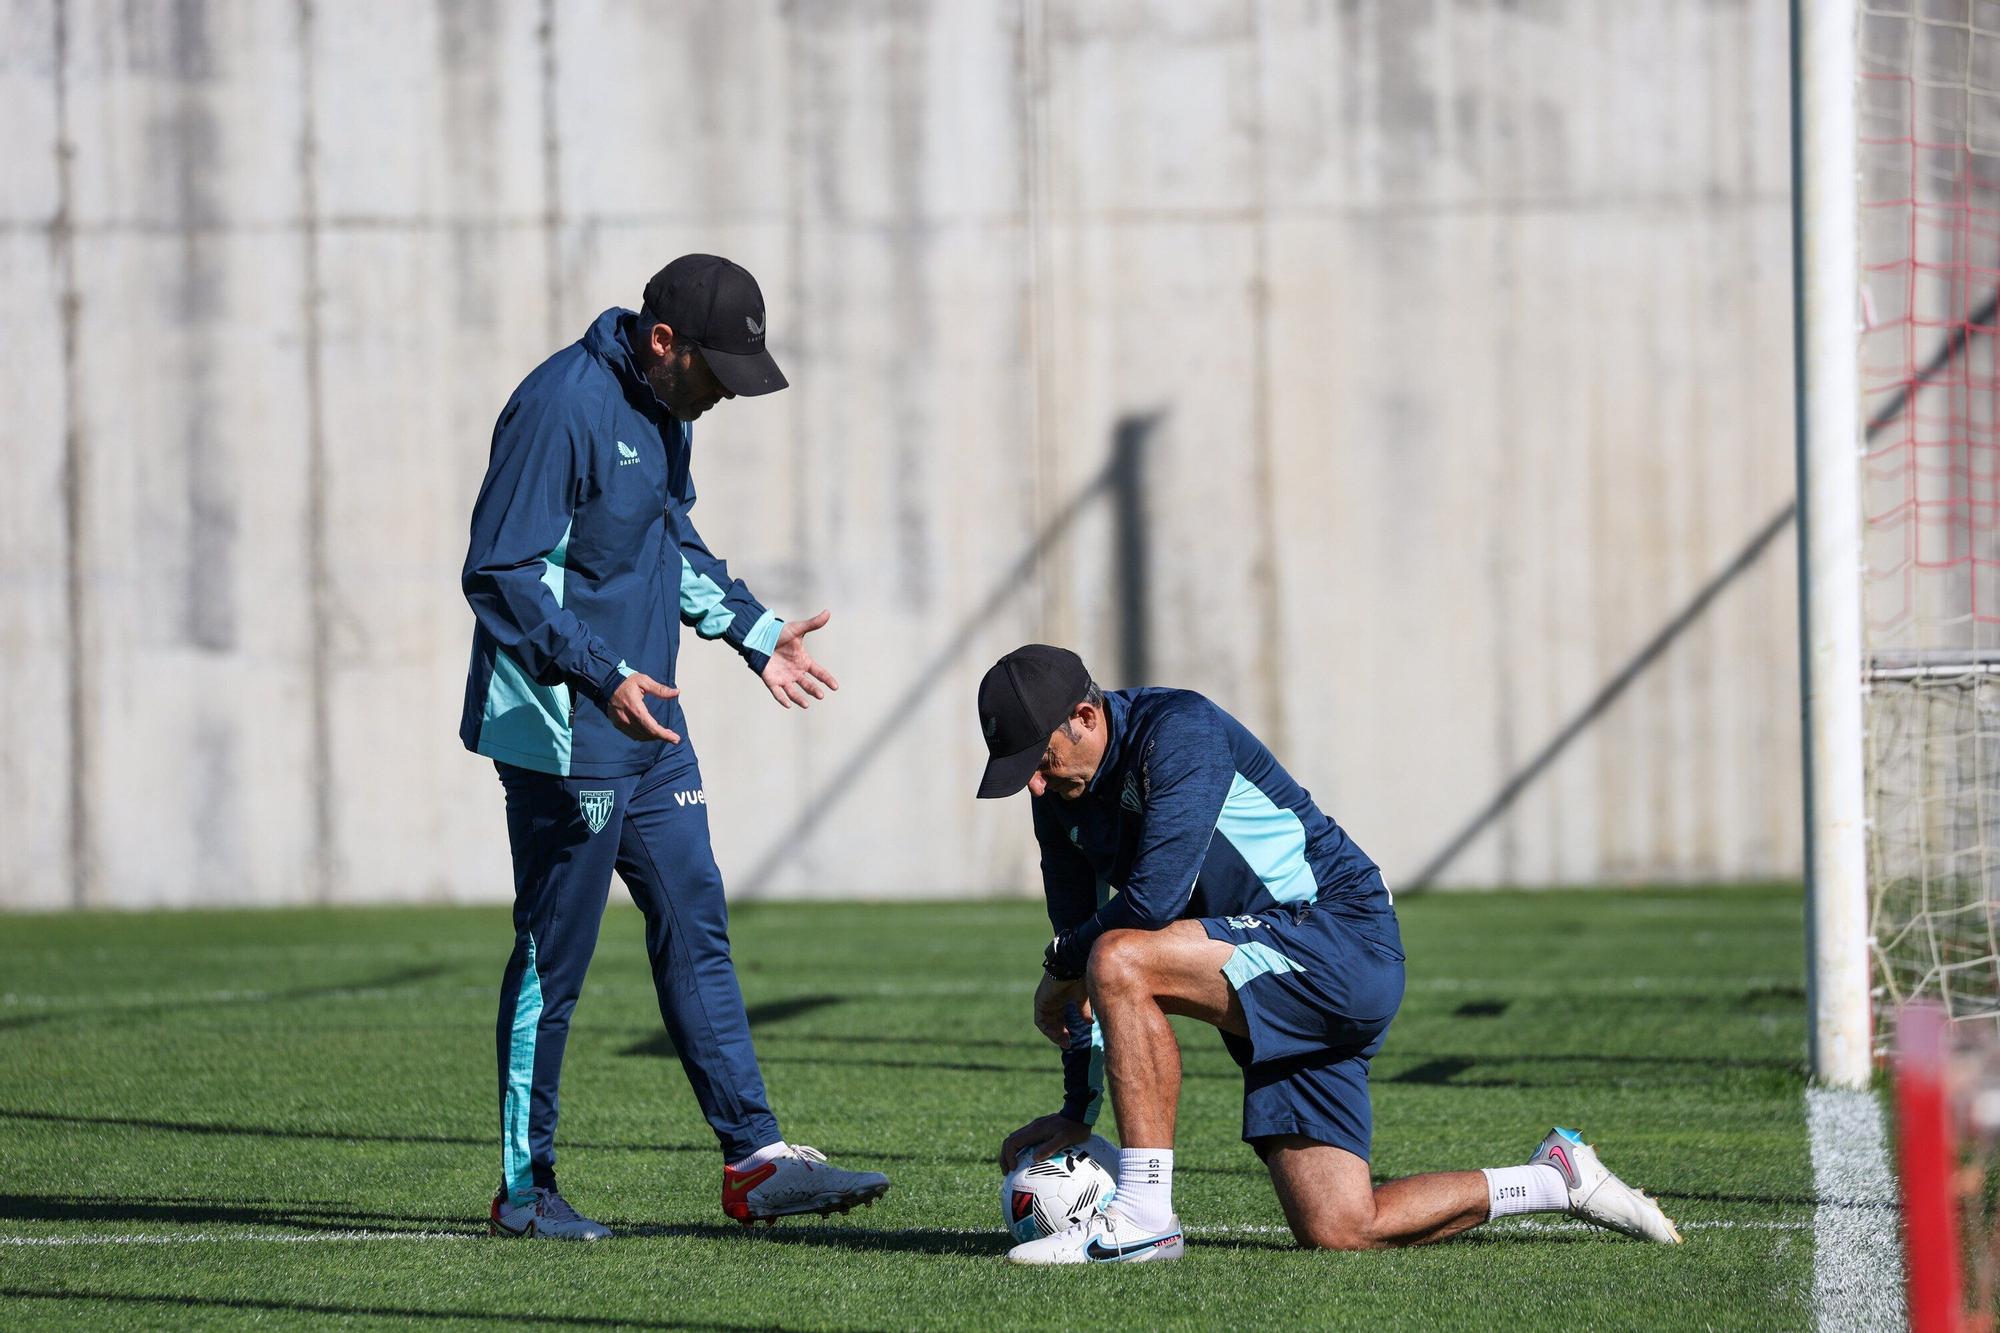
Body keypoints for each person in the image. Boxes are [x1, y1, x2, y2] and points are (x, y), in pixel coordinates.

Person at [978, 644, 1680, 1264]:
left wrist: (1064, 963)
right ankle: (1555, 1178)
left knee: (1119, 956)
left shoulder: (1178, 729)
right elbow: (1078, 960)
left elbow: (1147, 907)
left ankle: (1144, 1219)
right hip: (1273, 967)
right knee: (1340, 1225)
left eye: (1038, 759)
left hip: (1339, 938)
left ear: (1086, 715)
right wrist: (1077, 1108)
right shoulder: (1059, 795)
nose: (1034, 784)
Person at [460, 254, 888, 1240]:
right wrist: (599, 673)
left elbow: (667, 541)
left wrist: (755, 632)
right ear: (664, 342)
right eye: (717, 375)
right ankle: (524, 1191)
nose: (725, 397)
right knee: (553, 959)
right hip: (567, 726)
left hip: (650, 722)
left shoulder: (666, 408)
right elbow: (498, 571)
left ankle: (754, 1160)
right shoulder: (559, 407)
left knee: (697, 924)